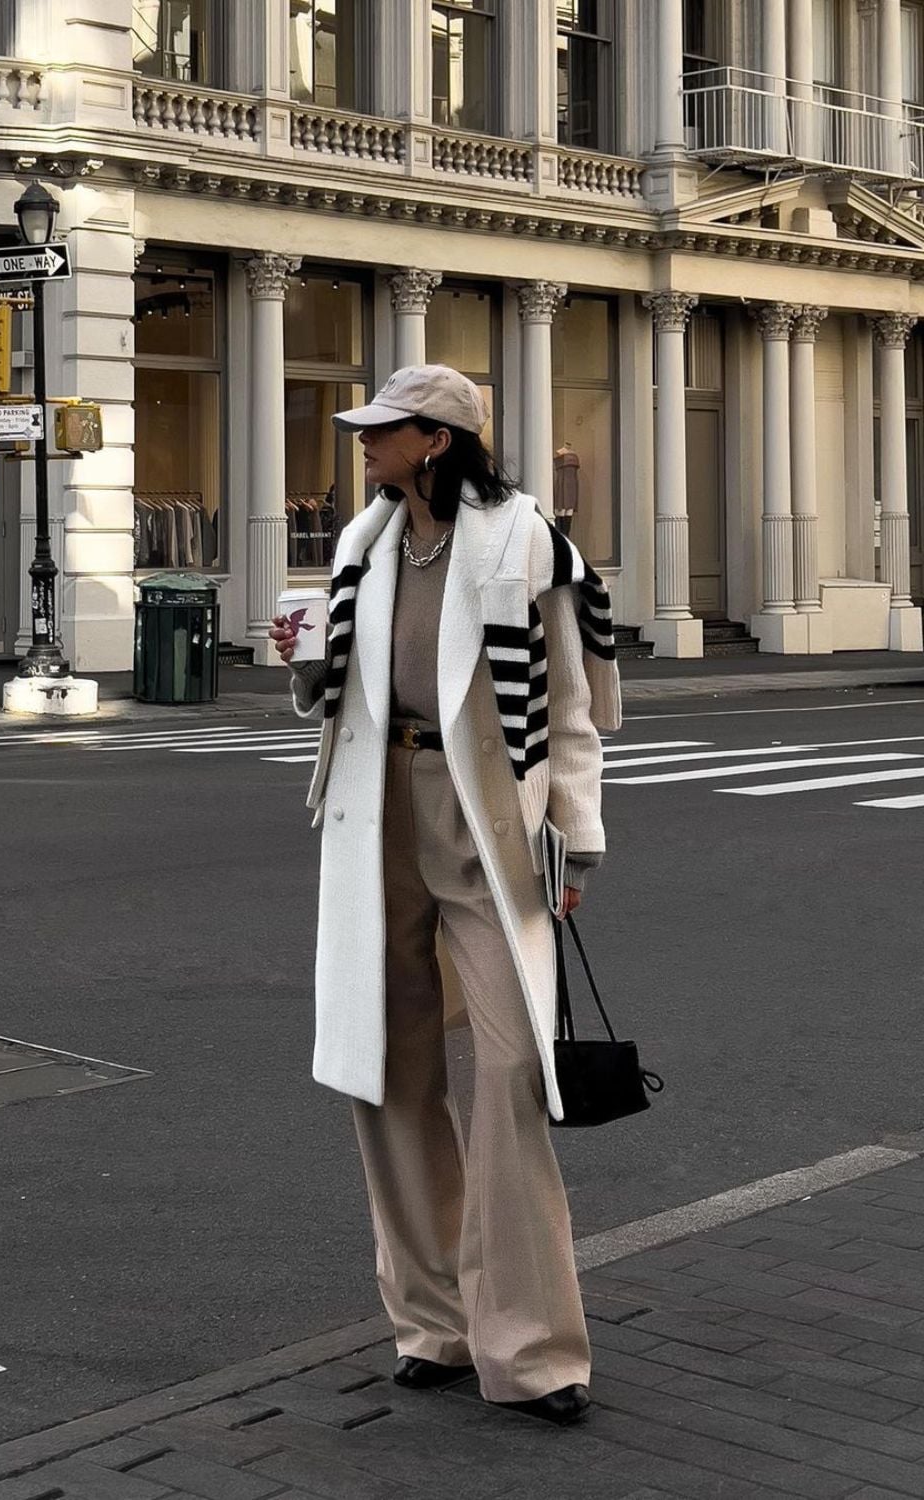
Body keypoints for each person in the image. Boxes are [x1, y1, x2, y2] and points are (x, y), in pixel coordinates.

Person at [270, 364, 620, 1426]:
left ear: (435, 440)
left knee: (513, 1074)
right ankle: (432, 1323)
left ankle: (534, 1347)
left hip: (487, 821)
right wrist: (302, 660)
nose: (361, 445)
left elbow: (569, 712)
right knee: (388, 1072)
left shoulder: (524, 541)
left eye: (382, 430)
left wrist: (576, 847)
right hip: (375, 811)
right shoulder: (361, 545)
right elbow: (328, 699)